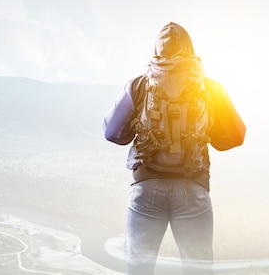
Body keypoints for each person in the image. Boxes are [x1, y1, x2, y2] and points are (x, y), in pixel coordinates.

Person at [103, 22, 246, 274]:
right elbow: (236, 135)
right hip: (193, 188)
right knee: (197, 271)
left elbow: (112, 132)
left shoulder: (138, 85)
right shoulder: (210, 88)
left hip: (146, 189)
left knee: (139, 270)